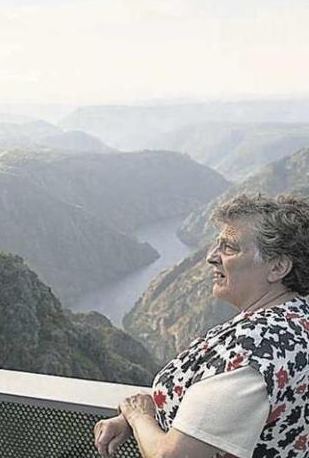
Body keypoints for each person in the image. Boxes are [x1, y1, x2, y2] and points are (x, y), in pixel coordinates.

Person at [94, 193, 309, 458]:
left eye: (229, 248)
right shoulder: (295, 321)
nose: (211, 256)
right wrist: (150, 414)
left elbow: (171, 456)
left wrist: (138, 416)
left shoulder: (256, 348)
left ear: (278, 267)